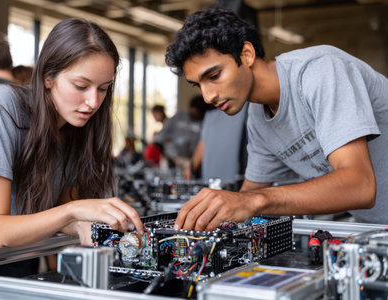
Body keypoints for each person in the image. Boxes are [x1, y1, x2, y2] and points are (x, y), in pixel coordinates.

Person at [165, 7, 388, 231]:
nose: (208, 96)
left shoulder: (319, 71)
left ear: (247, 54)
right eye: (199, 85)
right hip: (377, 229)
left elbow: (361, 186)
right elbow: (248, 196)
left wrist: (255, 201)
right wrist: (216, 213)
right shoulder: (257, 116)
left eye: (214, 76)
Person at [0, 18, 143, 251]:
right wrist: (74, 210)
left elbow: (59, 206)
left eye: (103, 88)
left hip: (14, 259)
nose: (93, 102)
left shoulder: (78, 126)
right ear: (48, 77)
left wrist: (79, 225)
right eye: (80, 86)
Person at [183, 103, 248, 182]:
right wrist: (191, 167)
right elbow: (203, 143)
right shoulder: (210, 114)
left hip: (236, 181)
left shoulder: (248, 109)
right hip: (210, 180)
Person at [155, 95, 209, 165]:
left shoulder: (204, 122)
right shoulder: (179, 117)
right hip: (175, 159)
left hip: (194, 160)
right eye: (193, 111)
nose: (194, 113)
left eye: (197, 113)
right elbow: (163, 135)